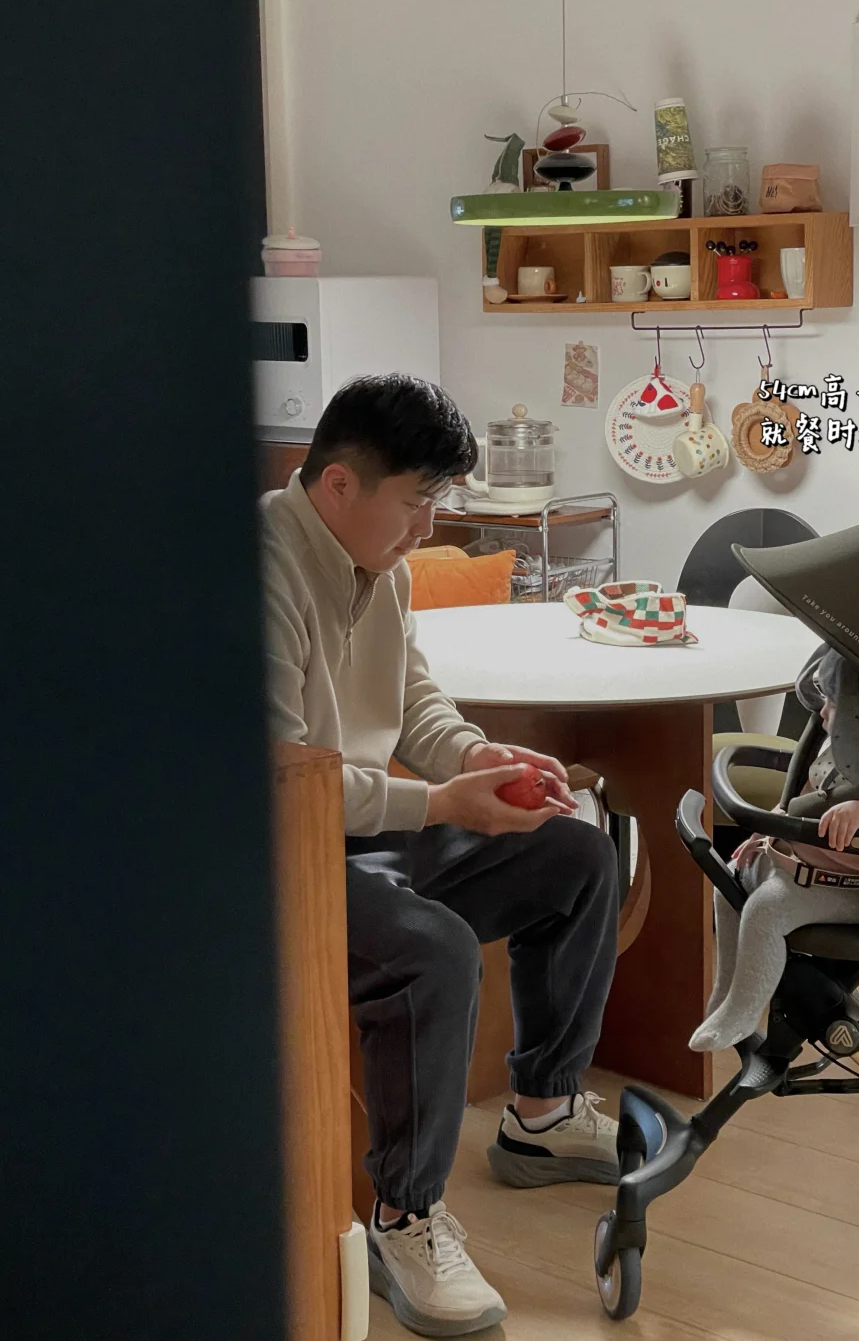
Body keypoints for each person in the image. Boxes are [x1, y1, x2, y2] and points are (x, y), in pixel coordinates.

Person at [261, 374, 620, 1336]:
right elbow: (283, 779)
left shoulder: (383, 563)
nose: (429, 526)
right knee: (434, 949)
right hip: (278, 856)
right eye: (417, 501)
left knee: (577, 855)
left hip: (370, 830)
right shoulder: (258, 573)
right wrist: (440, 802)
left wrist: (476, 758)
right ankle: (403, 1216)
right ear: (339, 484)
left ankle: (542, 1114)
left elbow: (415, 702)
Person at [690, 647, 859, 1053]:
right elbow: (802, 800)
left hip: (851, 891)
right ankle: (727, 992)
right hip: (797, 863)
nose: (822, 714)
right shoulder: (841, 753)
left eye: (833, 706)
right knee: (727, 884)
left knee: (765, 910)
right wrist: (765, 831)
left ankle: (744, 1012)